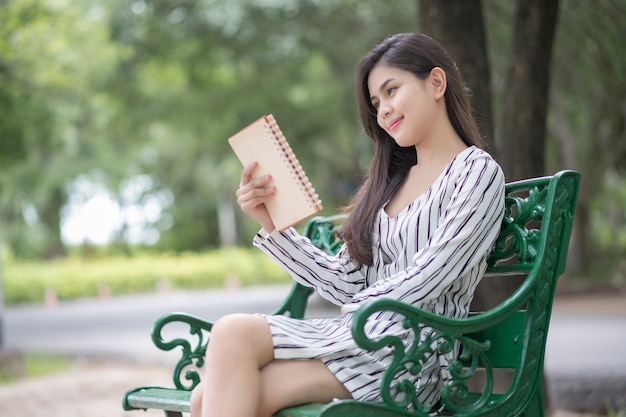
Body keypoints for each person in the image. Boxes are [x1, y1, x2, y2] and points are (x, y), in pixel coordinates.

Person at [190, 32, 505, 417]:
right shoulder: (389, 183)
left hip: (414, 357)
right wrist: (273, 225)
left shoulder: (476, 173)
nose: (383, 110)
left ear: (436, 83)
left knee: (214, 397)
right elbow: (345, 282)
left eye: (392, 91)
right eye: (376, 103)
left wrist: (361, 306)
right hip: (360, 339)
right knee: (229, 337)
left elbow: (434, 274)